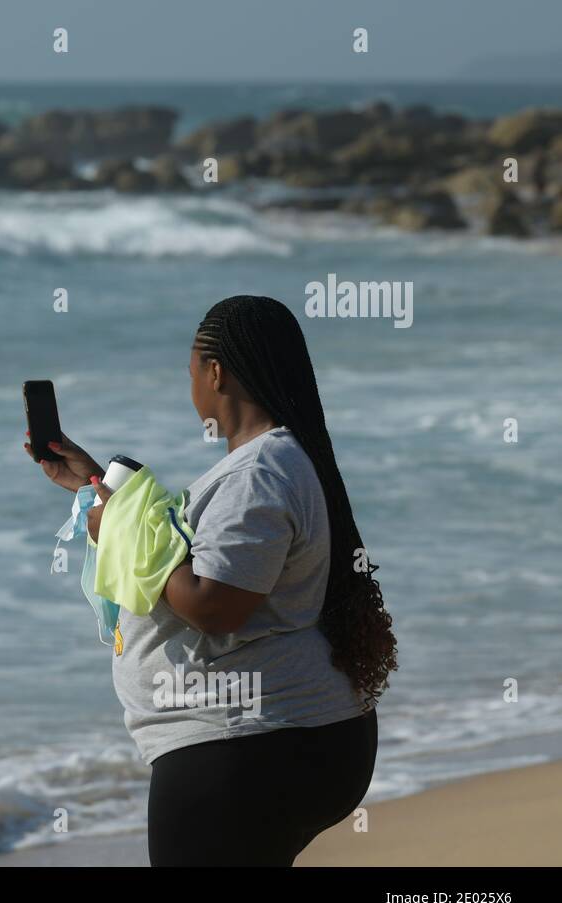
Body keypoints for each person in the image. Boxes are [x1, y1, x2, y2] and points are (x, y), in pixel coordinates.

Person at [25, 295, 397, 866]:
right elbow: (197, 554)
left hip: (244, 746)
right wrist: (100, 490)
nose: (191, 383)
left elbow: (216, 605)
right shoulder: (276, 462)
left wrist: (122, 532)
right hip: (282, 736)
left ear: (215, 372)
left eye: (192, 369)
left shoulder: (260, 473)